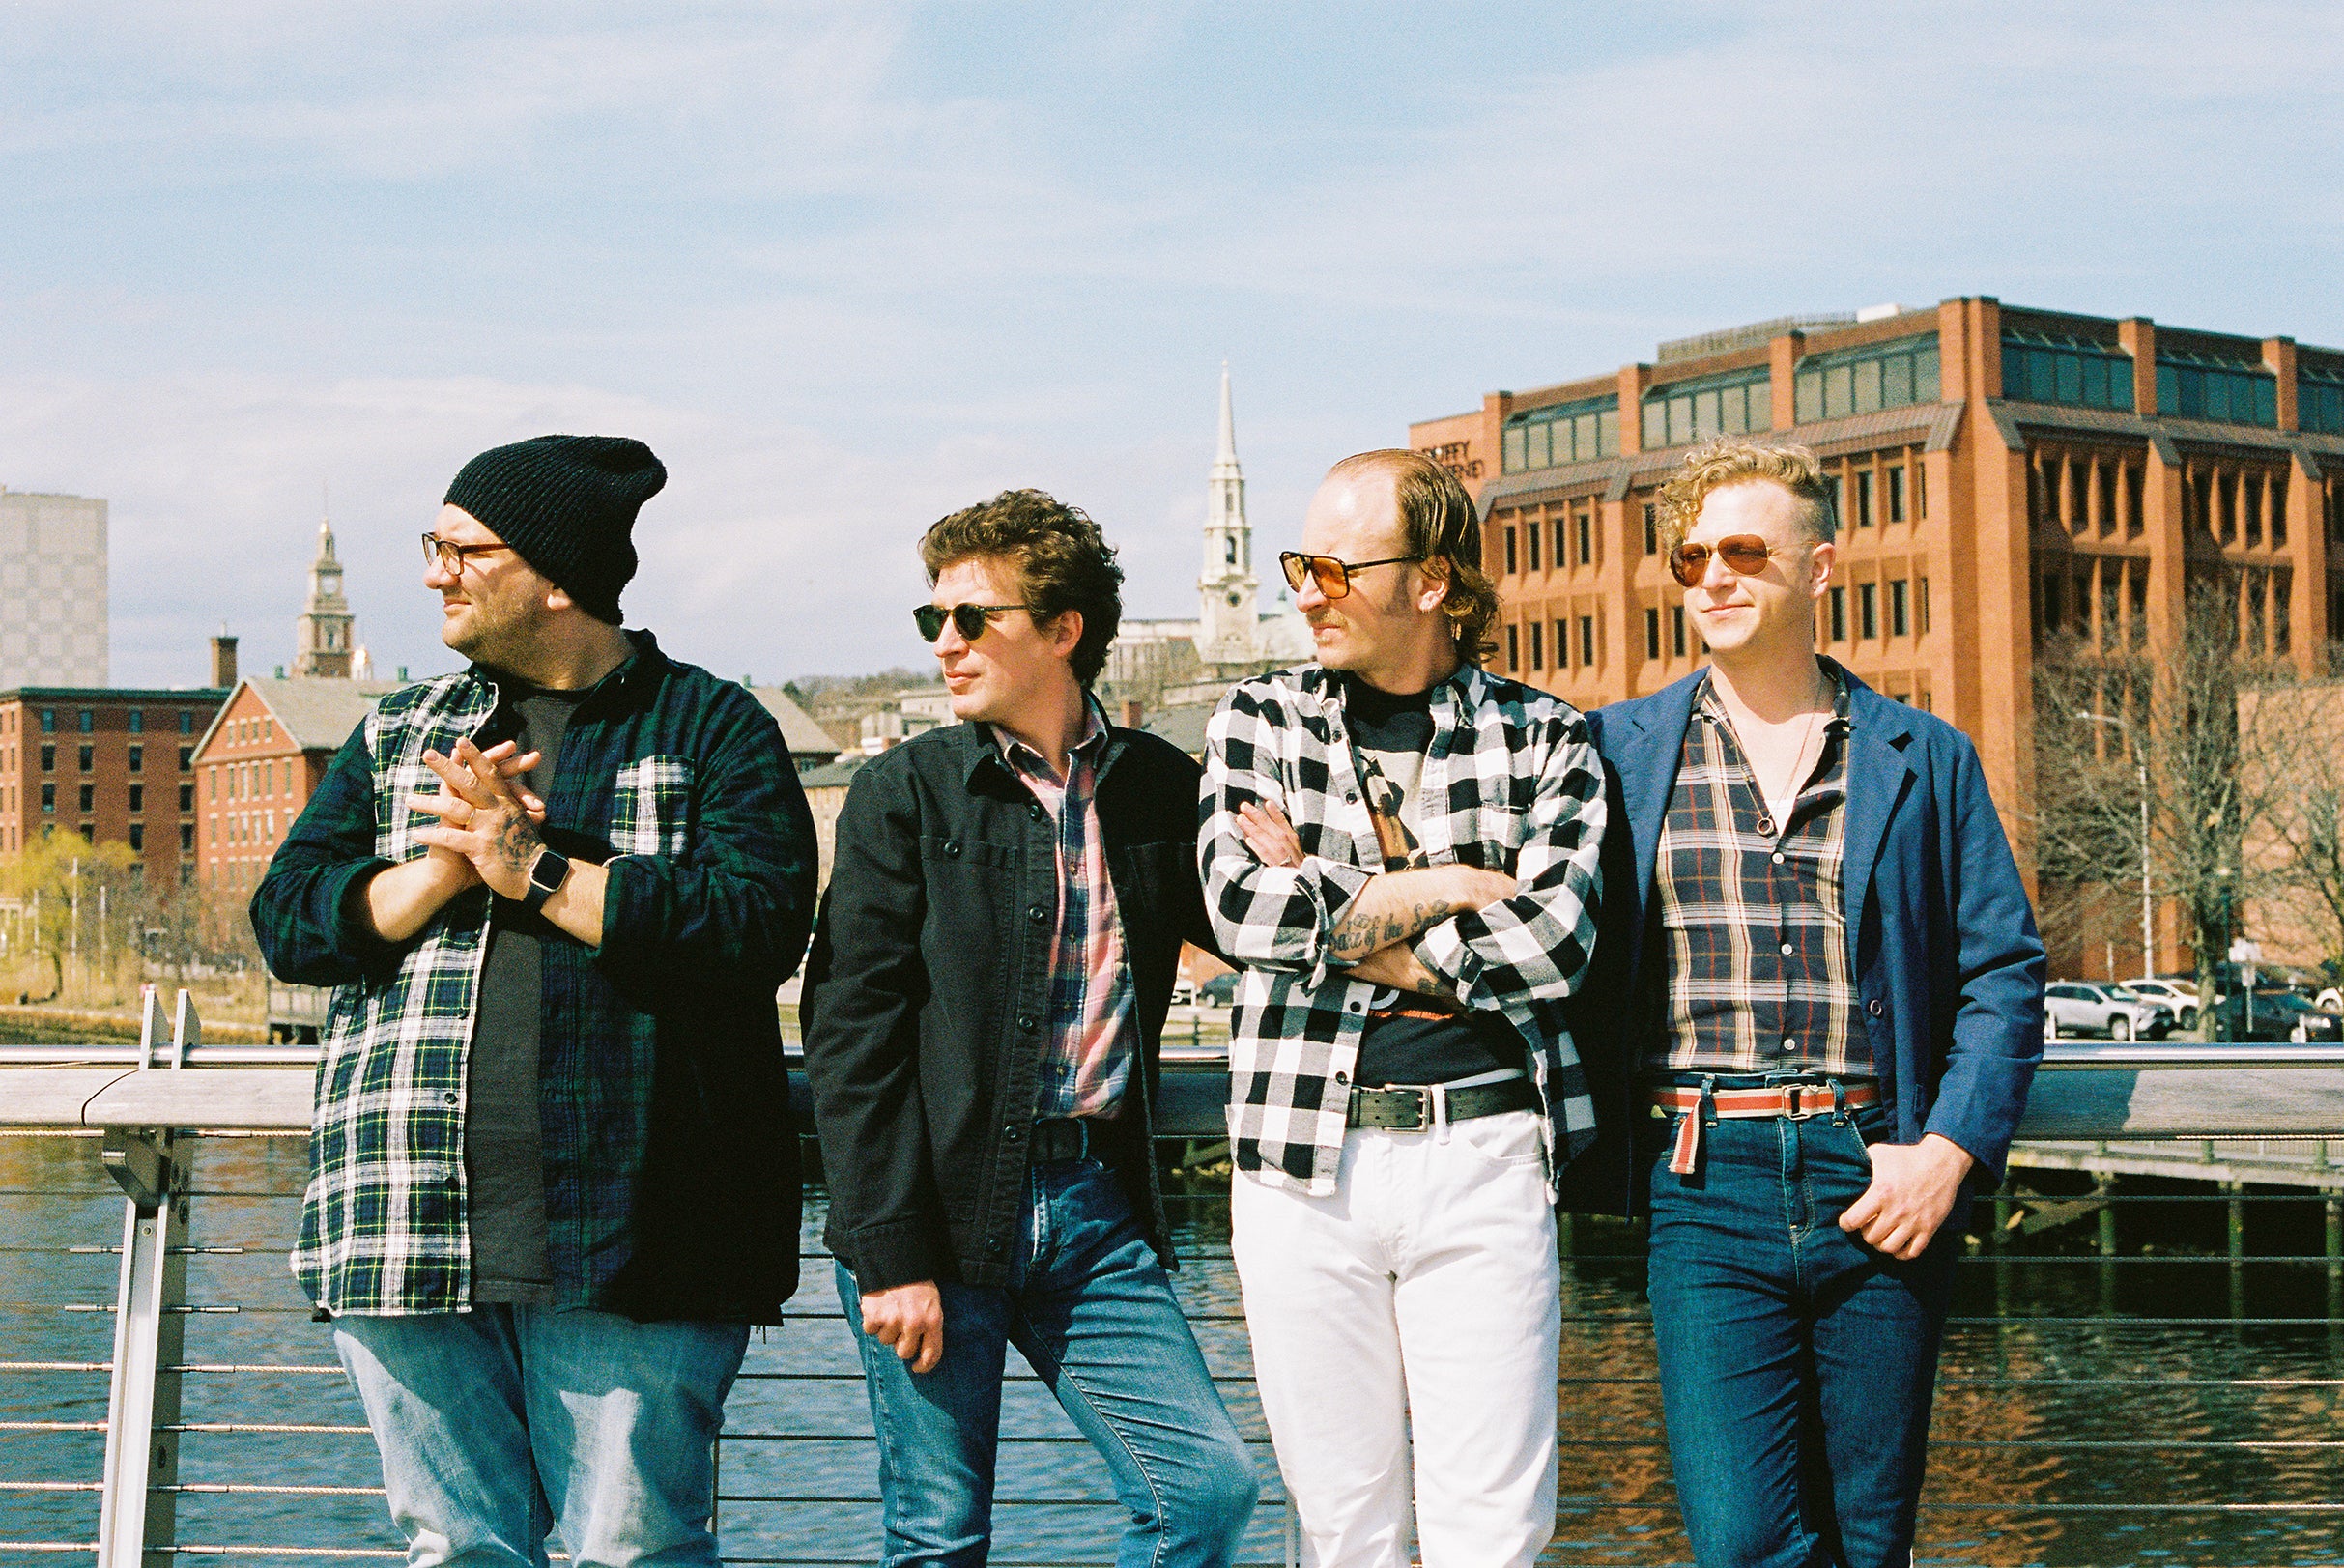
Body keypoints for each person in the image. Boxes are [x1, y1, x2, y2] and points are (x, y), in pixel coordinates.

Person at [252, 435, 818, 1568]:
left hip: (642, 1232)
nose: (435, 573)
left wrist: (536, 869)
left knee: (633, 1551)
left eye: (463, 550)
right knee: (454, 1551)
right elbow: (289, 920)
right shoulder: (400, 730)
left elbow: (755, 924)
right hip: (403, 1222)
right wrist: (442, 872)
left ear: (556, 575)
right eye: (434, 545)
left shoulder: (712, 728)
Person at [1571, 437, 2044, 1567]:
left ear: (1819, 567)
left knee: (1868, 1539)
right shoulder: (1612, 752)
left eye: (1743, 552)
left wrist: (1946, 1153)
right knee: (1741, 1540)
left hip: (1876, 1175)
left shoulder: (1923, 758)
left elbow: (2002, 971)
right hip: (1700, 1185)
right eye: (1690, 559)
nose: (1713, 578)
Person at [801, 489, 1257, 1568]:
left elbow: (1255, 932)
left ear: (1063, 630)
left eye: (973, 618)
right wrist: (890, 1254)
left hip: (1096, 1211)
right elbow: (850, 1036)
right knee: (939, 1535)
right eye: (934, 618)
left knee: (1205, 1492)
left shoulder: (1159, 788)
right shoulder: (904, 793)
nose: (944, 643)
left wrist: (1292, 873)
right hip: (936, 1211)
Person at [1200, 448, 1605, 1568]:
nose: (1305, 592)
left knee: (1493, 1531)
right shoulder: (1258, 719)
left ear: (1431, 581)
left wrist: (1325, 905)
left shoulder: (1545, 736)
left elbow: (1553, 944)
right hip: (1297, 1163)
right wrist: (1454, 886)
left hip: (1485, 1153)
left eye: (1335, 569)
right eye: (1300, 566)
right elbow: (1241, 913)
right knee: (1342, 1530)